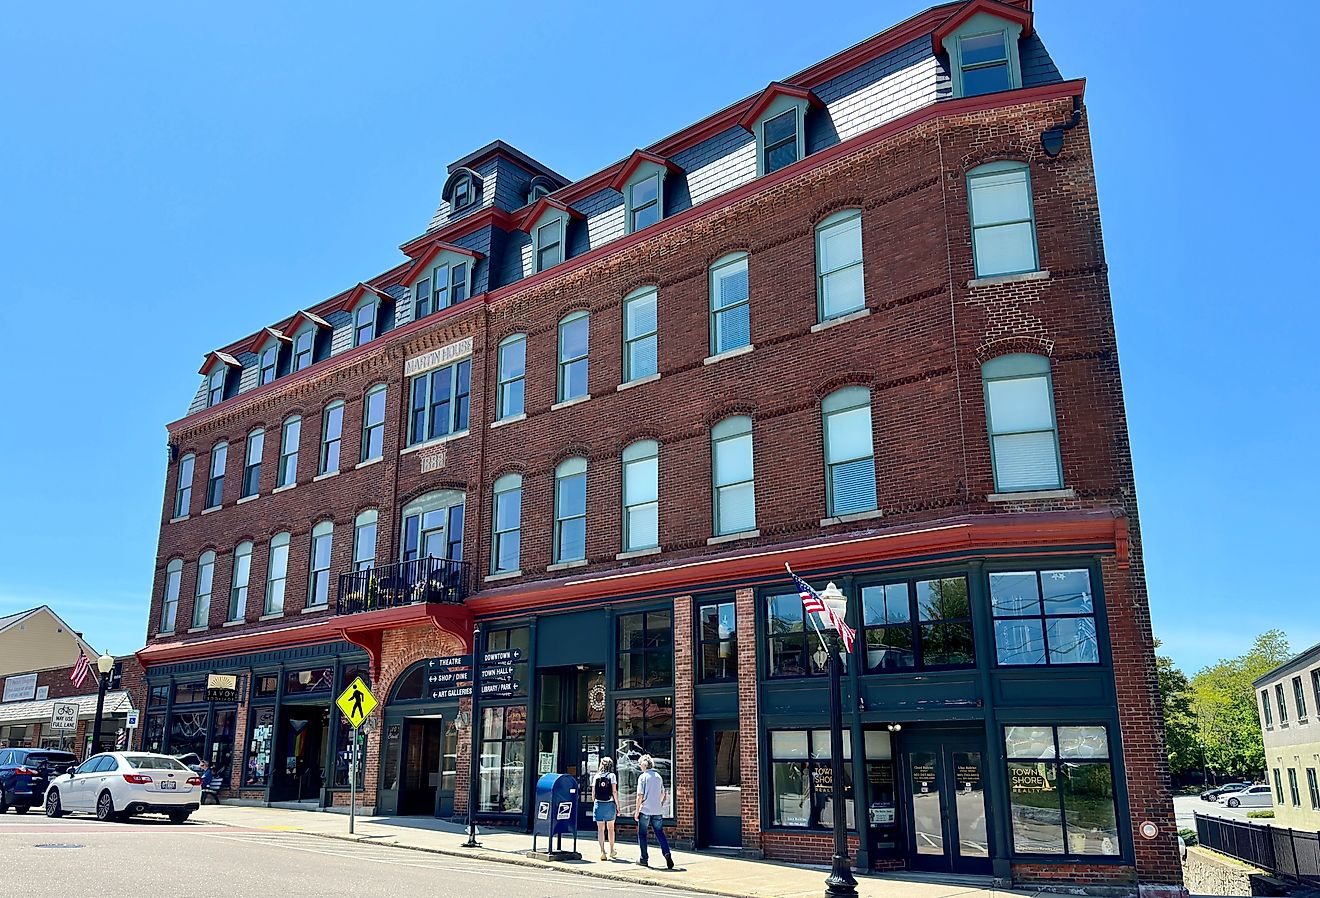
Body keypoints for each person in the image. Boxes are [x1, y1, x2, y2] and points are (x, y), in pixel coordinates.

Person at [633, 755, 673, 870]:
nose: (640, 766)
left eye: (640, 764)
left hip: (645, 809)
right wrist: (658, 803)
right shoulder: (658, 776)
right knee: (660, 833)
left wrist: (637, 811)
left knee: (642, 834)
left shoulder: (643, 777)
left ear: (644, 765)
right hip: (657, 810)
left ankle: (643, 858)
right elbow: (662, 794)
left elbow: (639, 796)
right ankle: (667, 854)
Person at [592, 757, 619, 861]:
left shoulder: (596, 776)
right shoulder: (612, 776)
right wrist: (617, 805)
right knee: (611, 829)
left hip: (599, 804)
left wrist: (596, 802)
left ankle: (602, 852)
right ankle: (612, 850)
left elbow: (593, 793)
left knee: (600, 829)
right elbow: (614, 791)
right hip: (609, 804)